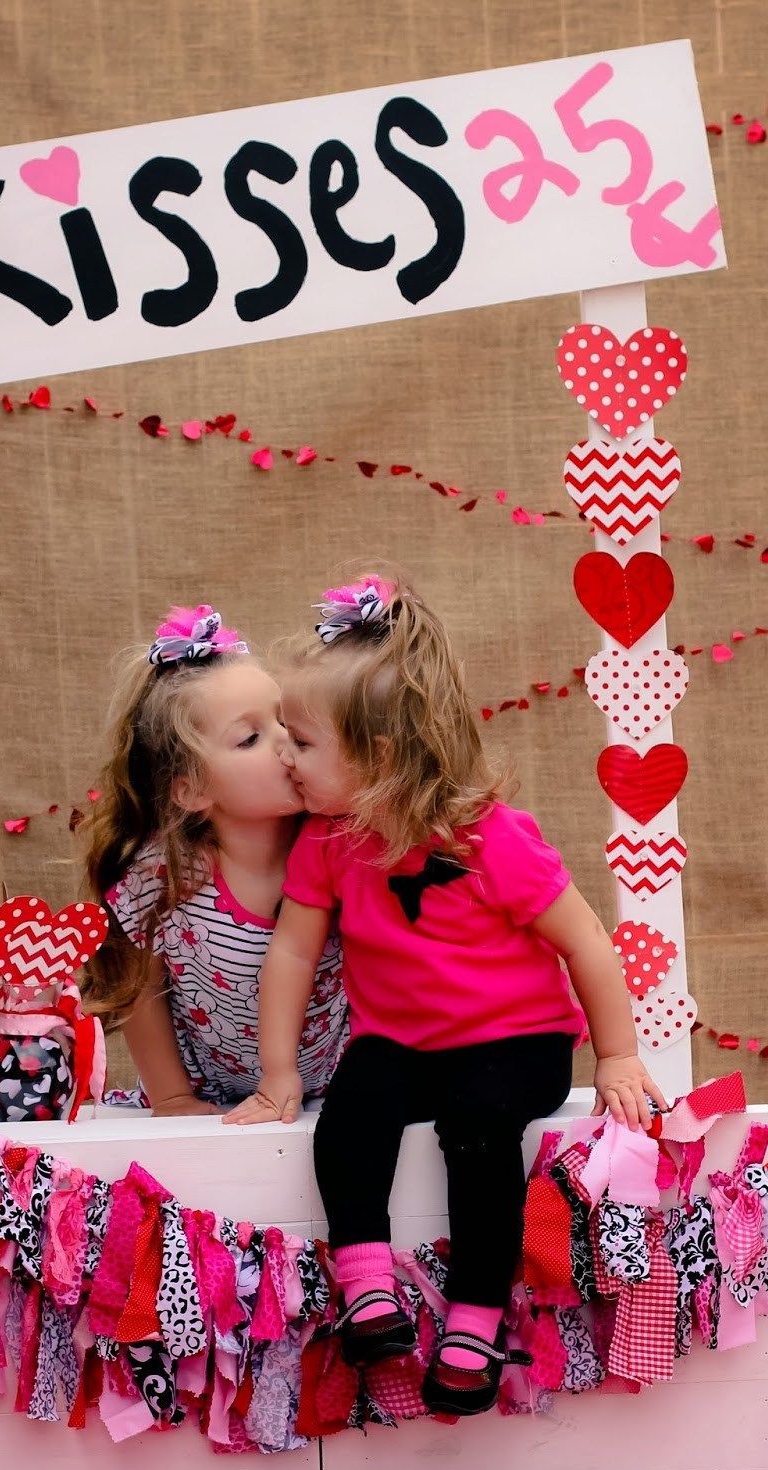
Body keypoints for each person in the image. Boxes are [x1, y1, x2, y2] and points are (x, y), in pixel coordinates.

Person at [228, 573, 668, 1415]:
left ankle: (474, 1317)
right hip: (402, 1043)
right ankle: (368, 1288)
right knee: (353, 1110)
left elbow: (585, 942)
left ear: (380, 759)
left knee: (478, 1131)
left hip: (517, 1042)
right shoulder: (327, 841)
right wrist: (277, 1074)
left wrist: (616, 1051)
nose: (284, 754)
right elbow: (290, 952)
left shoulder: (489, 838)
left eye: (302, 741)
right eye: (281, 735)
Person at [81, 604, 347, 1114]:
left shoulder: (340, 841)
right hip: (207, 1102)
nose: (284, 743)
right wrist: (172, 1097)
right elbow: (141, 989)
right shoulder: (163, 873)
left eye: (285, 720)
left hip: (337, 1096)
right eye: (249, 738)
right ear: (192, 789)